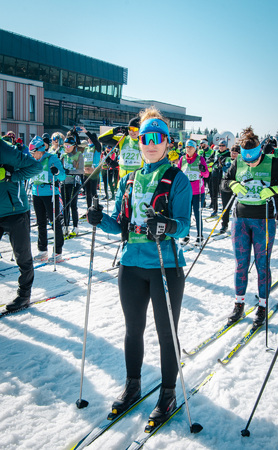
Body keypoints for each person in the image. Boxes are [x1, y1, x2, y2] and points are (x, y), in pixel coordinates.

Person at [87, 106, 192, 426]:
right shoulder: (129, 179)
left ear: (167, 142)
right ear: (139, 140)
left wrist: (167, 226)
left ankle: (168, 393)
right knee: (133, 330)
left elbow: (184, 226)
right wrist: (99, 219)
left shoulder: (178, 178)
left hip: (165, 266)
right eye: (145, 137)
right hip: (131, 265)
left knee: (165, 334)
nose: (150, 143)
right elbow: (120, 224)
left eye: (157, 137)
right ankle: (133, 386)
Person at [222, 127, 278, 328]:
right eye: (247, 161)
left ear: (260, 152)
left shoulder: (272, 162)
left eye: (254, 160)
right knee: (240, 264)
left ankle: (263, 306)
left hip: (264, 220)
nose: (251, 164)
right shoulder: (238, 161)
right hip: (240, 220)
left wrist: (276, 189)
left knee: (262, 264)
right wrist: (232, 185)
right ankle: (239, 304)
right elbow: (224, 181)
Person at [0, 137, 43, 311]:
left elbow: (36, 166)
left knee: (22, 257)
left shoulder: (4, 150)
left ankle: (24, 295)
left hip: (14, 211)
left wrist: (10, 176)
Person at [29, 136, 66, 262]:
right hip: (36, 193)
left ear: (40, 150)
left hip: (50, 194)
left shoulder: (52, 158)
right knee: (40, 223)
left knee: (54, 222)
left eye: (34, 153)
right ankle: (42, 250)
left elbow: (62, 176)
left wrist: (56, 172)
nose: (33, 155)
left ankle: (57, 252)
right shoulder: (33, 160)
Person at [177, 139, 209, 246]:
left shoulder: (200, 159)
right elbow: (178, 173)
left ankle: (200, 236)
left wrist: (203, 169)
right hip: (186, 191)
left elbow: (206, 175)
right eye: (187, 147)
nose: (188, 149)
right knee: (186, 215)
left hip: (198, 191)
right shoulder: (182, 159)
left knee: (197, 214)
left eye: (190, 147)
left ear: (195, 148)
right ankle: (186, 236)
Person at [60, 134, 84, 236]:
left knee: (73, 205)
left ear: (74, 146)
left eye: (69, 146)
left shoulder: (79, 155)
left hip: (74, 183)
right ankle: (65, 226)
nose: (66, 148)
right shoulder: (62, 156)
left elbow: (81, 170)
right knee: (65, 206)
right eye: (65, 146)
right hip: (64, 183)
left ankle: (75, 227)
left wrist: (69, 171)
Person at [218, 144, 240, 234]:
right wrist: (220, 165)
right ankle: (224, 224)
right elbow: (218, 166)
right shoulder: (226, 159)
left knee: (237, 207)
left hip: (236, 186)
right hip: (226, 185)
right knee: (225, 206)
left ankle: (237, 225)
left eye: (235, 153)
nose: (233, 155)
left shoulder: (241, 162)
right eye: (232, 153)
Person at [208, 140, 231, 217]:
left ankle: (226, 209)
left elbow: (230, 163)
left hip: (223, 176)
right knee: (214, 193)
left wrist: (224, 165)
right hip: (214, 174)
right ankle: (215, 209)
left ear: (226, 146)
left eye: (223, 146)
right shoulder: (215, 152)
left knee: (224, 193)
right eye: (220, 145)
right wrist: (212, 163)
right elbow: (209, 160)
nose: (221, 147)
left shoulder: (228, 154)